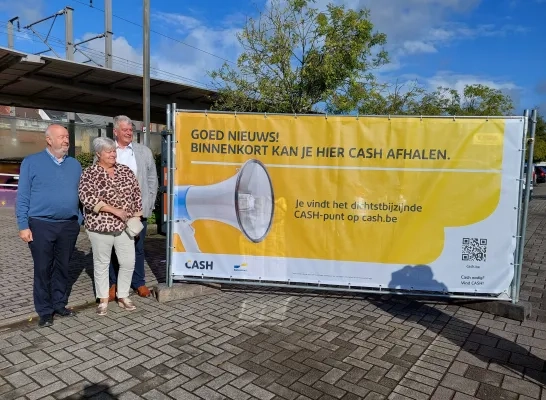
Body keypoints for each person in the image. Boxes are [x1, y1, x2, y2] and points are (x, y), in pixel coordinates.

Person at [15, 124, 82, 328]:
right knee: (43, 268)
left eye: (67, 136)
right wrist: (22, 225)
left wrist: (78, 220)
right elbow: (23, 196)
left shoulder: (75, 165)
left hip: (68, 225)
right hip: (41, 224)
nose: (66, 140)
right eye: (61, 136)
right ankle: (44, 310)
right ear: (49, 140)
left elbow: (81, 195)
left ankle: (59, 304)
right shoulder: (31, 162)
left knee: (62, 267)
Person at [79, 137, 143, 315]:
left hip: (124, 226)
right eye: (109, 151)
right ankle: (103, 299)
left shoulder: (125, 171)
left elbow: (136, 195)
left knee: (128, 262)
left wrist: (137, 218)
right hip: (100, 226)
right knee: (101, 263)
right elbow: (86, 197)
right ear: (98, 154)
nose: (113, 154)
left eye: (114, 151)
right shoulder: (90, 173)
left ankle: (123, 295)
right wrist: (113, 210)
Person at [107, 115, 158, 301]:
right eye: (125, 130)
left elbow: (152, 180)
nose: (129, 133)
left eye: (131, 130)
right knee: (112, 248)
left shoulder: (143, 152)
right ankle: (113, 284)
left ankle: (138, 282)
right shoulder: (107, 151)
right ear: (116, 132)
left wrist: (148, 204)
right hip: (113, 211)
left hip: (137, 210)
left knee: (138, 247)